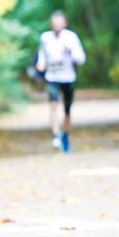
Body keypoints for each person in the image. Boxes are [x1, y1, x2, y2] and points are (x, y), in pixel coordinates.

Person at [35, 11, 86, 153]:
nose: (57, 25)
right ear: (51, 24)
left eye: (59, 23)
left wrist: (70, 51)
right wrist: (41, 64)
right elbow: (42, 54)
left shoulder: (71, 38)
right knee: (53, 105)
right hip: (52, 78)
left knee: (67, 111)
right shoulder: (45, 38)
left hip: (68, 78)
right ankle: (55, 135)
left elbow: (81, 59)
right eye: (54, 23)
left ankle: (65, 136)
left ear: (65, 23)